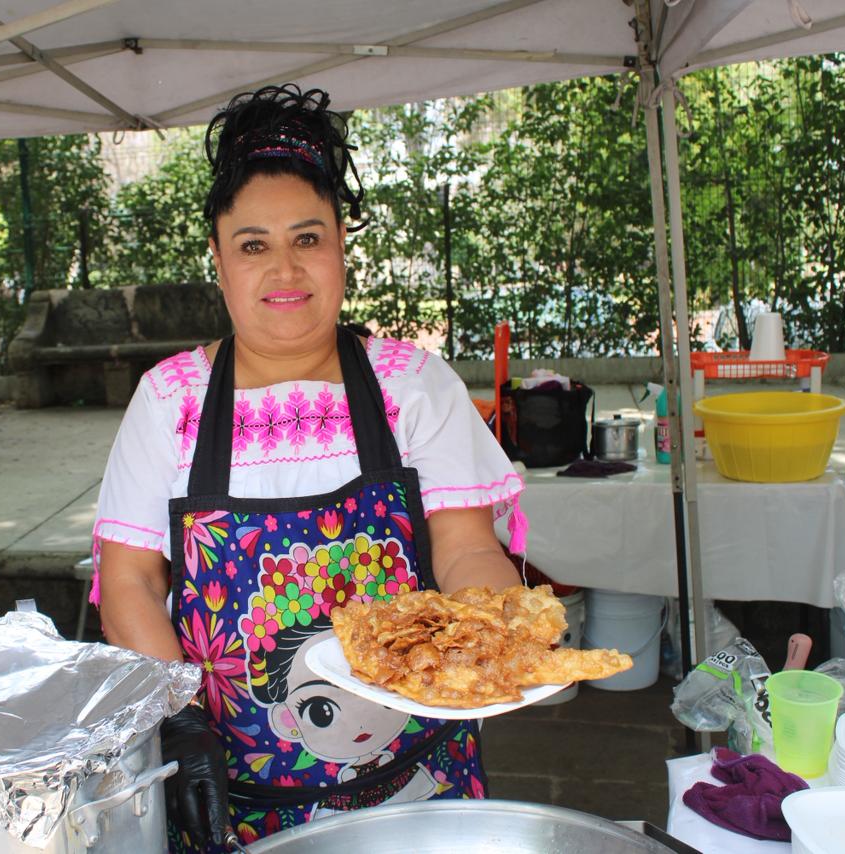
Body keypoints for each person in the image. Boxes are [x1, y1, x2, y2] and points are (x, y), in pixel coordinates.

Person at [91, 84, 529, 852]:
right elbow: (129, 583)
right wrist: (178, 721)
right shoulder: (169, 402)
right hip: (234, 794)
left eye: (307, 238)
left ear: (341, 247)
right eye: (253, 245)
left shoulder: (411, 387)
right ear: (220, 261)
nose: (285, 269)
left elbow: (464, 546)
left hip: (418, 783)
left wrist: (497, 627)